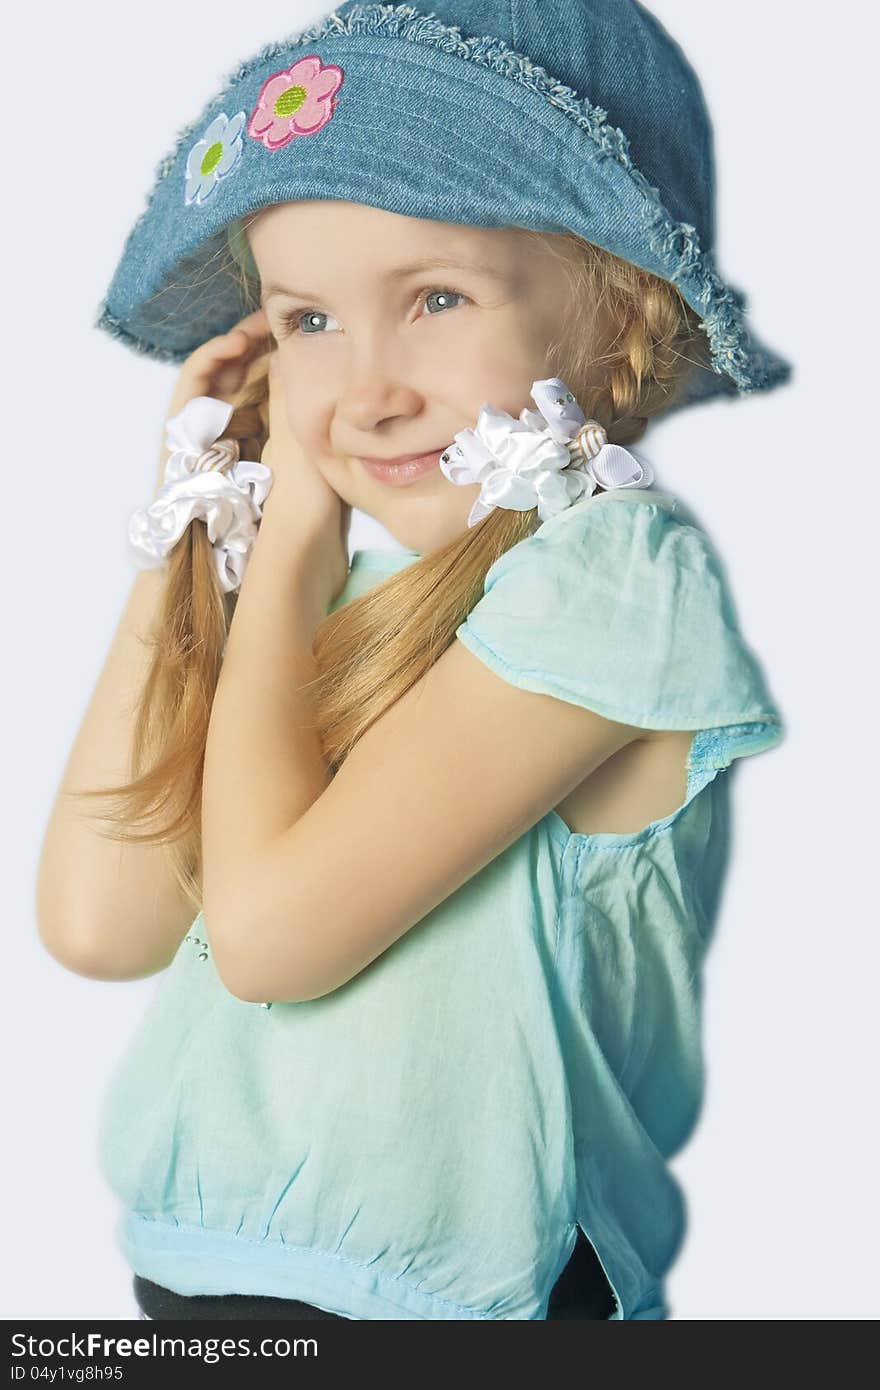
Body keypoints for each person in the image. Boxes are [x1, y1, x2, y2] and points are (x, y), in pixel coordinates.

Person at [36, 0, 790, 1321]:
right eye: (309, 321)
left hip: (469, 1304)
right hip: (196, 1283)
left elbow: (268, 939)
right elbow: (102, 923)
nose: (366, 388)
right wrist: (202, 518)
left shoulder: (613, 578)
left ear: (619, 314)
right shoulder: (327, 584)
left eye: (436, 297)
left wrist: (278, 560)